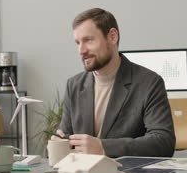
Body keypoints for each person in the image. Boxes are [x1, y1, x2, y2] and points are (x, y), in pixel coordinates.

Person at [55, 8, 175, 158]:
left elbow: (164, 142)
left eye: (88, 40)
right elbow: (67, 137)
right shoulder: (74, 85)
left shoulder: (149, 83)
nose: (81, 50)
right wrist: (60, 143)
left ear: (112, 37)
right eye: (78, 43)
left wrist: (103, 147)